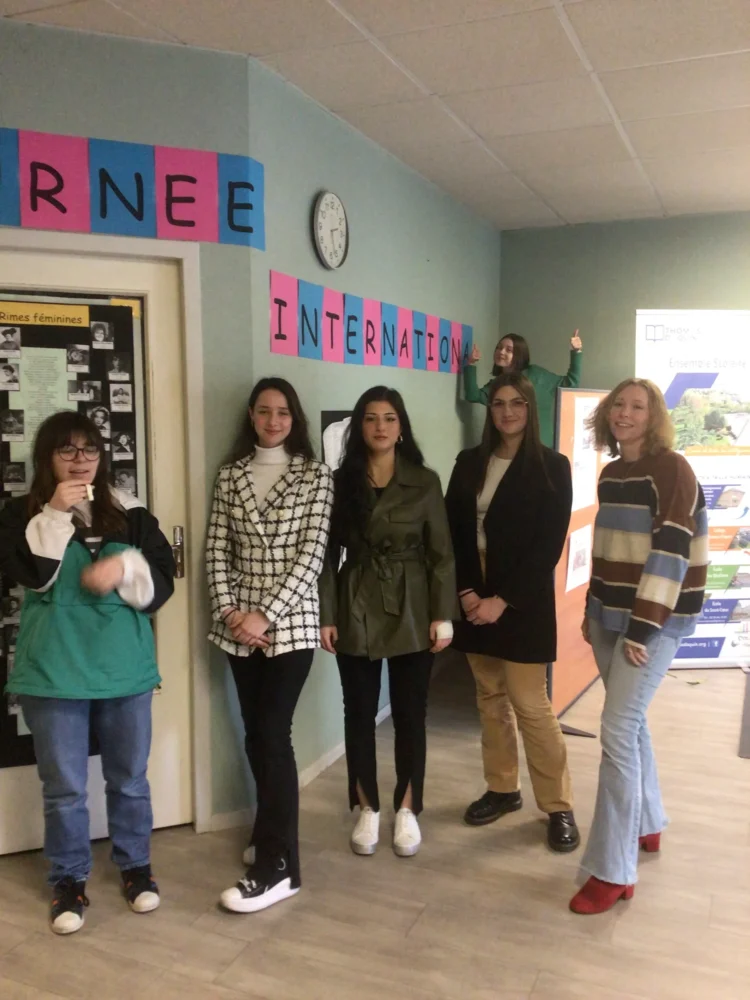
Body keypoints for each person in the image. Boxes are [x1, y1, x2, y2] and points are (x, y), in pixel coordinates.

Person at [0, 410, 175, 935]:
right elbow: (32, 575)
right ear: (46, 458)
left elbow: (160, 586)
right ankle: (68, 878)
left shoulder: (133, 512)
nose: (80, 461)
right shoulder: (19, 514)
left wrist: (125, 569)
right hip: (53, 672)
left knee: (129, 780)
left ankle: (135, 867)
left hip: (124, 670)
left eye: (90, 450)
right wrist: (54, 513)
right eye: (67, 451)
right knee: (65, 789)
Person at [569, 379, 708, 915]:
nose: (625, 414)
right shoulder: (612, 473)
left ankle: (611, 869)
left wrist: (643, 628)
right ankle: (647, 822)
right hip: (609, 616)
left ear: (654, 418)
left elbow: (672, 550)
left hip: (651, 624)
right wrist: (590, 611)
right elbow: (605, 553)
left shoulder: (672, 469)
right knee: (631, 723)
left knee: (617, 730)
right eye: (618, 406)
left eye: (637, 407)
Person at [207, 377, 333, 914]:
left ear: (294, 418)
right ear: (252, 417)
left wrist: (265, 614)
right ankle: (271, 832)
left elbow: (312, 557)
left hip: (291, 625)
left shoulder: (315, 475)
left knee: (273, 733)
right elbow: (215, 547)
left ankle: (277, 866)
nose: (274, 420)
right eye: (264, 411)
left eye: (283, 412)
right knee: (255, 736)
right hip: (237, 629)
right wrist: (233, 613)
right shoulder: (231, 474)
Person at [319, 386, 457, 859]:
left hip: (413, 603)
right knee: (357, 713)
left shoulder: (424, 480)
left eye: (390, 418)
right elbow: (324, 554)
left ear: (402, 428)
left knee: (409, 713)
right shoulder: (339, 483)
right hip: (354, 598)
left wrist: (443, 616)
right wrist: (327, 615)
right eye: (372, 418)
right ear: (359, 426)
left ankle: (408, 808)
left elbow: (441, 555)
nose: (381, 427)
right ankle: (367, 808)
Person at [445, 373, 579, 852]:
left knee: (530, 704)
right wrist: (466, 592)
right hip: (472, 593)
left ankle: (558, 806)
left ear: (530, 408)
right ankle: (502, 788)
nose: (507, 412)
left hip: (521, 599)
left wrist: (502, 601)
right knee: (489, 697)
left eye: (516, 403)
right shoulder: (468, 463)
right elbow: (454, 533)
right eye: (498, 403)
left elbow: (548, 546)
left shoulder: (552, 467)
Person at [464, 331, 583, 448]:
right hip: (507, 447)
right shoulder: (498, 383)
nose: (501, 352)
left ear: (519, 354)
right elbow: (473, 395)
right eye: (499, 348)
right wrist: (471, 364)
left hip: (538, 446)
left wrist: (576, 352)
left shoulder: (537, 376)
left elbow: (570, 384)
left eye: (508, 350)